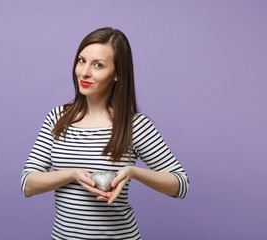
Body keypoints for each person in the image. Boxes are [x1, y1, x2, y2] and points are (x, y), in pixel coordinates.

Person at [21, 27, 189, 240]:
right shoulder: (57, 118)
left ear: (117, 74)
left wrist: (133, 172)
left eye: (98, 65)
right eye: (82, 61)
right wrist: (73, 174)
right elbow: (28, 184)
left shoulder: (134, 125)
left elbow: (181, 185)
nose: (84, 72)